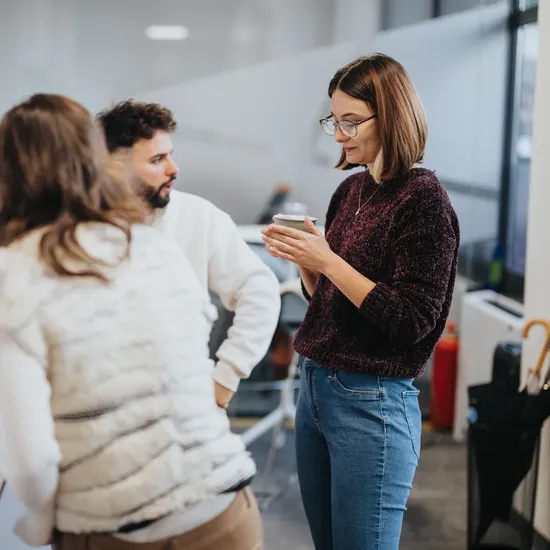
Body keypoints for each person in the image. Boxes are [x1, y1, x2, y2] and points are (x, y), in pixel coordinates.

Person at [0, 93, 262, 550]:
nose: (172, 169)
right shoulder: (148, 243)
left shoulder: (16, 273)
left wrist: (42, 525)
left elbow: (32, 461)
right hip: (227, 512)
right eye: (157, 158)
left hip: (120, 526)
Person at [262, 53, 460, 550]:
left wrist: (329, 262)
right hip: (316, 389)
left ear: (392, 117)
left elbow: (412, 320)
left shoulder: (424, 200)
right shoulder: (350, 191)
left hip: (371, 402)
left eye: (351, 121)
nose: (339, 135)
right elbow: (329, 304)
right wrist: (310, 264)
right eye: (335, 120)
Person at [97, 100, 281, 408]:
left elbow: (259, 290)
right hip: (105, 411)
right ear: (116, 168)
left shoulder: (197, 215)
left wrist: (226, 375)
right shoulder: (82, 229)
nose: (173, 169)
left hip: (185, 410)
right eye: (157, 160)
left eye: (171, 155)